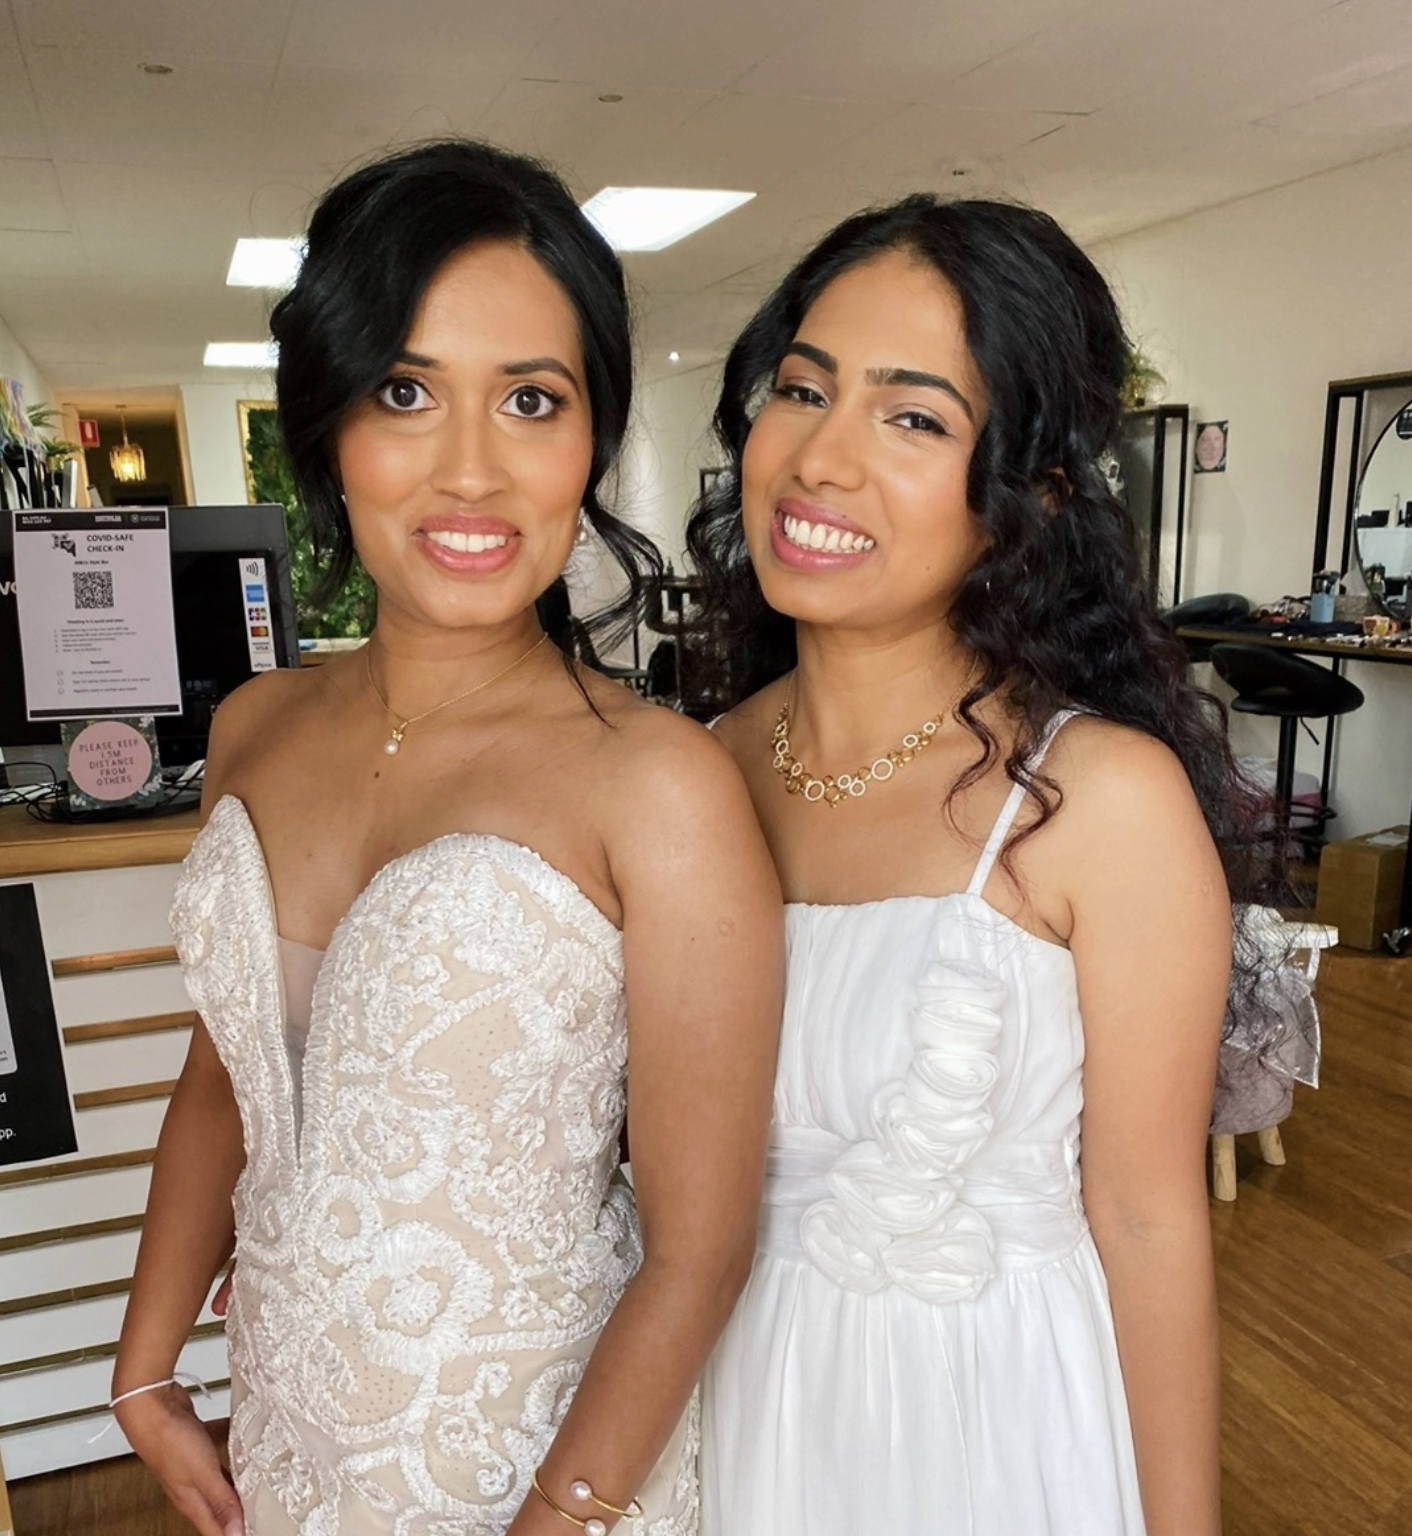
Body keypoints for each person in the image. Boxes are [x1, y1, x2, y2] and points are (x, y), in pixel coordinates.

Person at [113, 139, 783, 1536]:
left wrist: (556, 1517)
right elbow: (229, 1082)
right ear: (328, 430)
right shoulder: (253, 729)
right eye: (406, 393)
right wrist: (143, 1366)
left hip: (541, 1454)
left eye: (531, 401)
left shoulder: (656, 786)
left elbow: (702, 1250)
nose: (472, 472)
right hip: (288, 1433)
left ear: (588, 439)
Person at [688, 195, 1246, 1535]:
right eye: (802, 388)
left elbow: (1154, 1223)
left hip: (987, 1428)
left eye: (914, 416)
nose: (822, 458)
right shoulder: (691, 776)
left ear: (1034, 491)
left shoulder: (1098, 801)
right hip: (724, 1407)